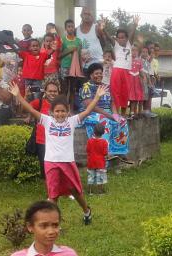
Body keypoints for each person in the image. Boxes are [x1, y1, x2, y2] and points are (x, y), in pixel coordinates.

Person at [10, 80, 106, 225]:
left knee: (75, 190)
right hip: (51, 162)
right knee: (53, 194)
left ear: (68, 111)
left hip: (67, 162)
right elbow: (30, 110)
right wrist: (18, 95)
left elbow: (87, 111)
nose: (60, 114)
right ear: (51, 112)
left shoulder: (72, 121)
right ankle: (53, 222)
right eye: (57, 111)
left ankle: (86, 211)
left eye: (63, 111)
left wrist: (97, 97)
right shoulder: (47, 120)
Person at [79, 63, 129, 162]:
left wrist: (115, 114)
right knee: (104, 121)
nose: (99, 75)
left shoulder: (105, 86)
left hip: (108, 113)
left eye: (100, 73)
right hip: (91, 114)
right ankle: (105, 153)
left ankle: (120, 151)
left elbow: (112, 102)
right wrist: (109, 115)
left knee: (122, 121)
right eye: (96, 73)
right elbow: (90, 106)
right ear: (91, 75)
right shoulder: (86, 87)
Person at [28, 80, 61, 175]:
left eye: (55, 91)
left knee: (56, 165)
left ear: (58, 92)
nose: (52, 93)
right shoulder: (39, 102)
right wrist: (26, 97)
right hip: (42, 140)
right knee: (44, 166)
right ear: (45, 92)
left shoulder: (62, 105)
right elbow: (27, 108)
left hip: (57, 140)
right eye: (50, 91)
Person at [108, 16, 138, 116]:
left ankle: (123, 115)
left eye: (123, 37)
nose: (121, 39)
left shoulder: (129, 44)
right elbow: (108, 37)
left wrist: (135, 25)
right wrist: (103, 29)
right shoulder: (116, 45)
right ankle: (116, 114)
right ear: (117, 39)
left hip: (127, 72)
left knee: (125, 93)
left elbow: (132, 34)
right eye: (119, 37)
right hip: (117, 70)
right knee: (115, 92)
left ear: (126, 38)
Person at [59, 19, 85, 105]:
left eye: (72, 27)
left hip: (75, 69)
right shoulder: (62, 40)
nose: (71, 28)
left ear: (74, 28)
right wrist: (69, 50)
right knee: (64, 88)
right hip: (65, 67)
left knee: (73, 89)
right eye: (69, 27)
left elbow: (80, 56)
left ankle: (71, 109)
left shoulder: (78, 41)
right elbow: (59, 55)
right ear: (65, 28)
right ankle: (63, 107)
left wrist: (81, 68)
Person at [86, 123, 109, 195]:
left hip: (91, 162)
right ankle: (100, 192)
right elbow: (105, 153)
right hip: (100, 163)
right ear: (103, 132)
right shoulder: (104, 142)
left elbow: (87, 150)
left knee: (91, 176)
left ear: (94, 131)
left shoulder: (89, 141)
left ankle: (90, 191)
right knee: (100, 177)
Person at [128, 44, 145, 118]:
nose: (134, 52)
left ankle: (136, 113)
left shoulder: (140, 61)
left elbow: (141, 71)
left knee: (136, 97)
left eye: (135, 50)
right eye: (132, 50)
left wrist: (143, 78)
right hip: (130, 80)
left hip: (137, 81)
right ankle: (131, 112)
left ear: (138, 52)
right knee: (131, 98)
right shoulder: (127, 60)